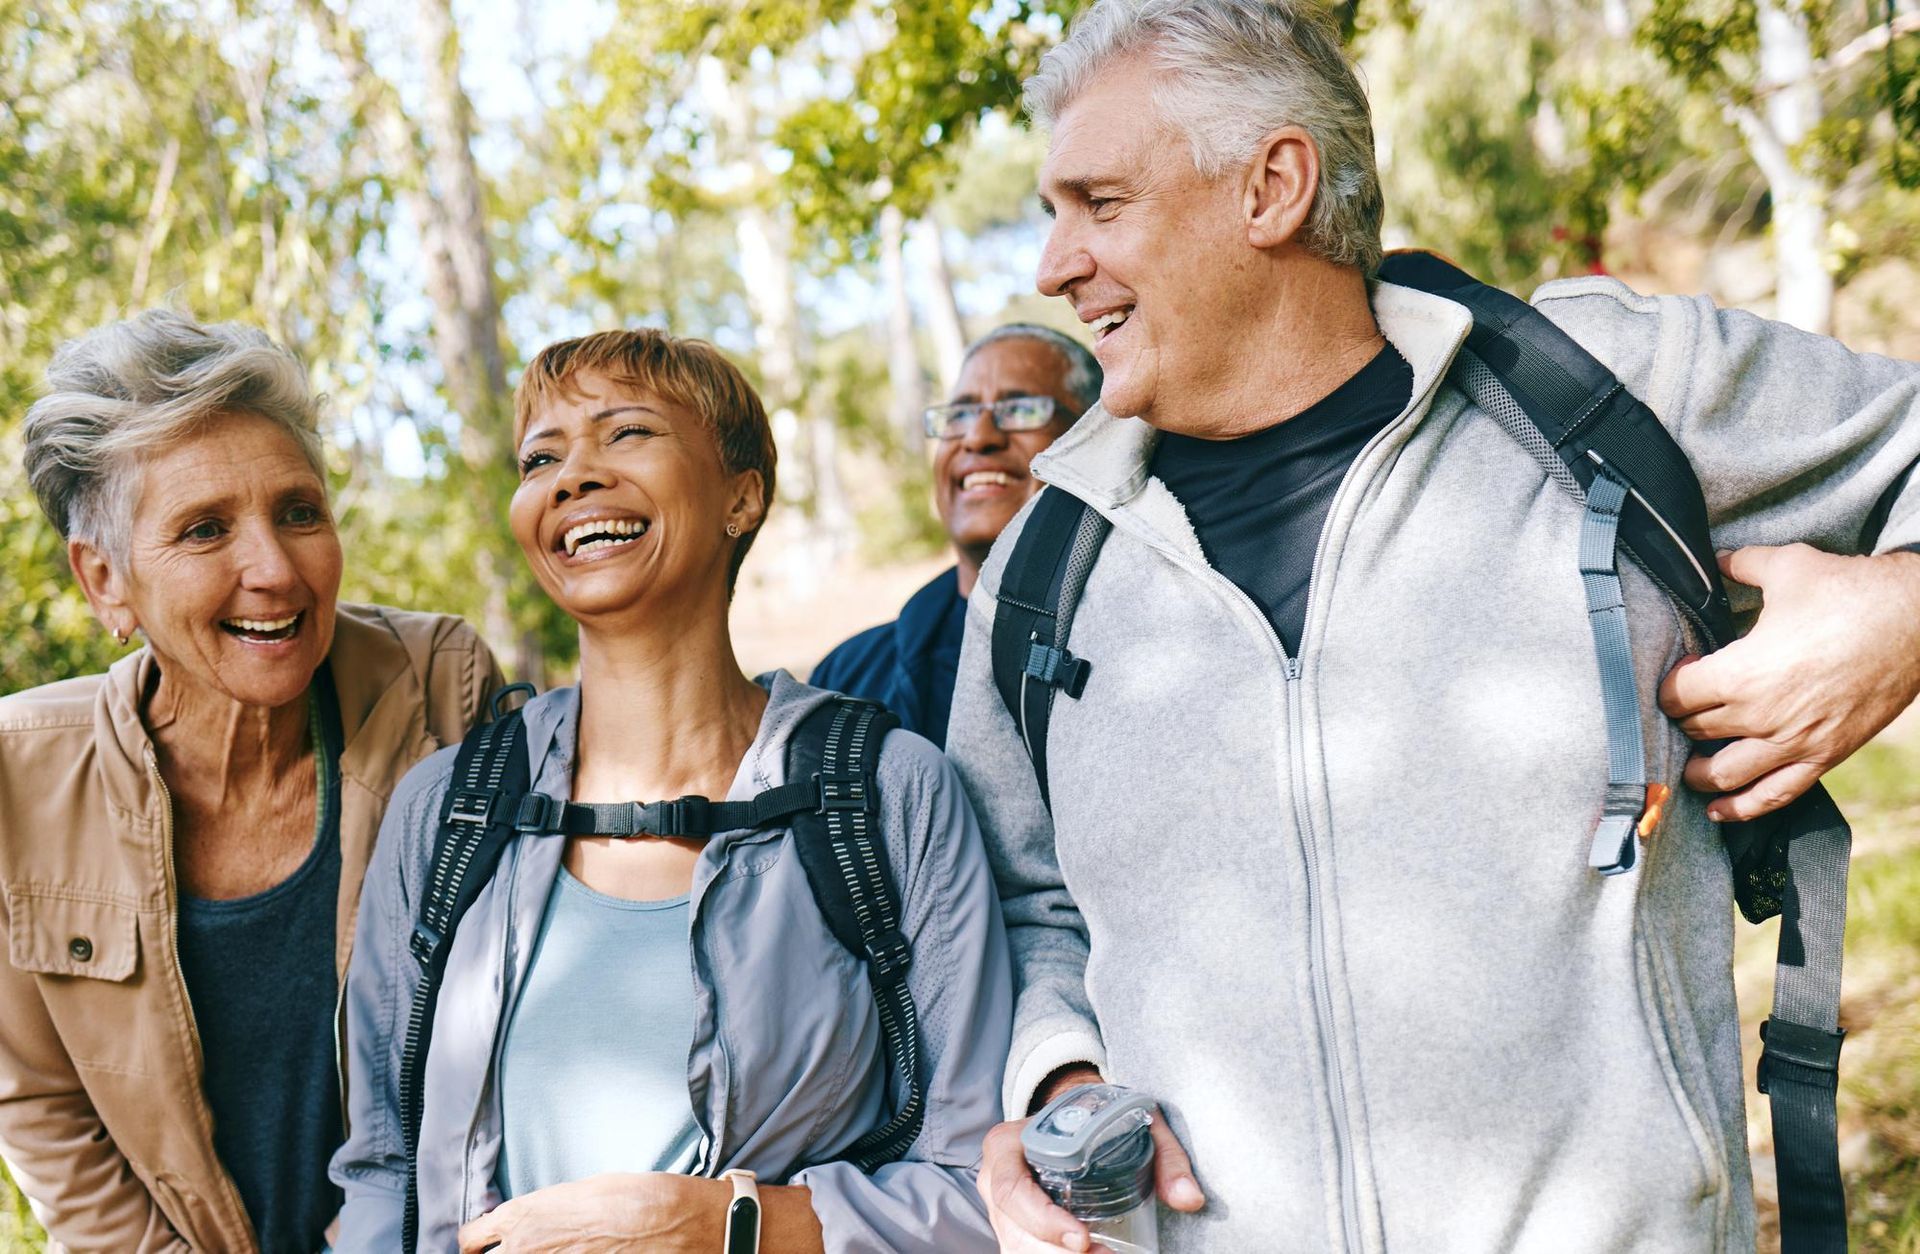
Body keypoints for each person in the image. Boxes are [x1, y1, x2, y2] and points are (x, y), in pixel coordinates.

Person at [945, 3, 1920, 1252]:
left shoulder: (1602, 392)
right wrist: (1060, 1084)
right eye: (1051, 213)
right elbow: (1030, 907)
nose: (1054, 267)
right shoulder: (1048, 563)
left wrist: (1897, 617)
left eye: (1100, 204)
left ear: (1273, 186)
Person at [330, 329, 1012, 1253]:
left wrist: (731, 1224)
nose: (573, 476)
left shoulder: (885, 797)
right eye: (542, 457)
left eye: (627, 434)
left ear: (742, 495)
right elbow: (381, 1174)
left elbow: (977, 1191)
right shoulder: (450, 808)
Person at [0, 311, 501, 1253]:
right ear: (105, 581)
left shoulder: (438, 688)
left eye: (299, 512)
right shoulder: (19, 777)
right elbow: (44, 1108)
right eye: (204, 530)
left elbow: (519, 1022)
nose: (274, 569)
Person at [811, 324, 1100, 745]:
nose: (978, 437)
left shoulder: (1151, 648)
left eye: (1020, 409)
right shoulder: (844, 681)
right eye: (960, 414)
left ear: (1094, 440)